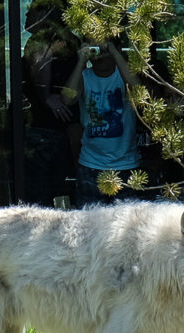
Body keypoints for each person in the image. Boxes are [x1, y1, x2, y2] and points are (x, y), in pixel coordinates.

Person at [62, 38, 142, 207]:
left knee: (126, 225)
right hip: (91, 164)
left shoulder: (123, 76)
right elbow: (67, 98)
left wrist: (114, 51)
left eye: (103, 49)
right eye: (94, 50)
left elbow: (140, 93)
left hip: (125, 164)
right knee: (88, 224)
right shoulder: (85, 77)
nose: (99, 55)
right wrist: (81, 62)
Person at [21, 0, 80, 206]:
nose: (27, 16)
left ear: (45, 13)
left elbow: (40, 61)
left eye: (31, 11)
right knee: (61, 185)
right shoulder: (71, 40)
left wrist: (45, 95)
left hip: (42, 125)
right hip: (65, 122)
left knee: (38, 191)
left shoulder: (41, 39)